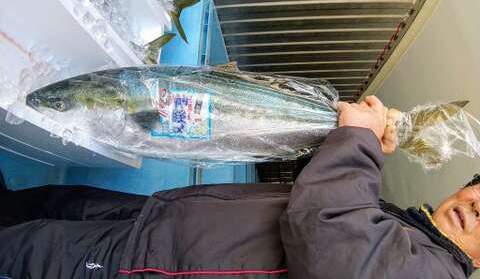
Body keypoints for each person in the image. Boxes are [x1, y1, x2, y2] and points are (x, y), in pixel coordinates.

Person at [0, 96, 476, 278]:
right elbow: (313, 203)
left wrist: (357, 143)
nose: (476, 204)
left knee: (25, 247)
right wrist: (346, 139)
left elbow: (333, 253)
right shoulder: (407, 230)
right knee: (49, 203)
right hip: (164, 218)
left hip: (155, 265)